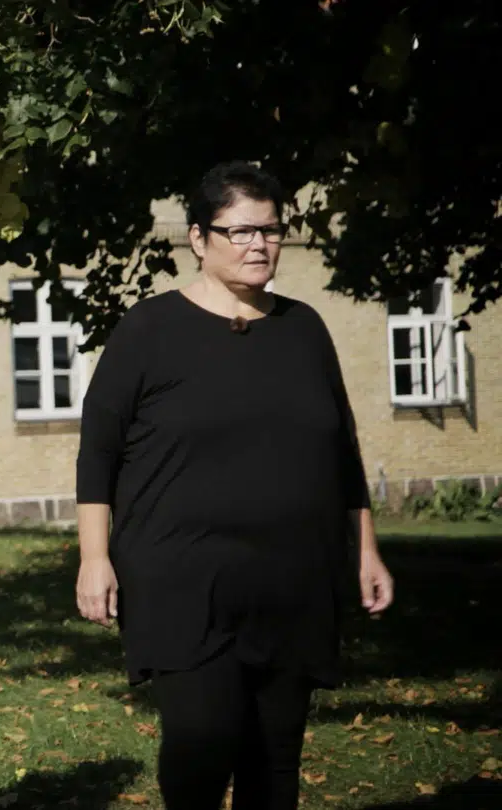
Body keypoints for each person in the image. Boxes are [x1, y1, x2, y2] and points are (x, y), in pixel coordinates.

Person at [74, 160, 396, 810]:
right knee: (202, 740)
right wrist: (93, 557)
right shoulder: (150, 329)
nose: (259, 244)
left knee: (274, 760)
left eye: (271, 230)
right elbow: (97, 451)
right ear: (198, 238)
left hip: (292, 579)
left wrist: (365, 549)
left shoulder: (304, 329)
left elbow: (343, 450)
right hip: (182, 579)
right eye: (240, 231)